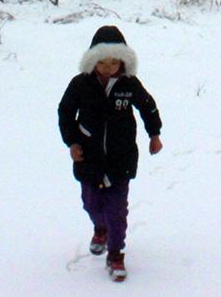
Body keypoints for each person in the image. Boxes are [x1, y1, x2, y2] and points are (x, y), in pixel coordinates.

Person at [58, 25, 163, 282]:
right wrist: (72, 142)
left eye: (114, 62)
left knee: (117, 209)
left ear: (123, 61)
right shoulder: (80, 84)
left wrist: (154, 134)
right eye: (102, 62)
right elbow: (65, 112)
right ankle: (99, 228)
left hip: (121, 158)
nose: (108, 67)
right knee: (91, 203)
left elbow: (147, 107)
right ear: (93, 60)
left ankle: (115, 254)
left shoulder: (129, 84)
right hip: (88, 158)